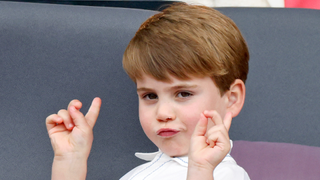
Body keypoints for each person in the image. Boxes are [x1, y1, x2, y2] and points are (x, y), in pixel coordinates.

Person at [46, 3, 250, 180]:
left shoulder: (224, 173)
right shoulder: (142, 172)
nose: (163, 114)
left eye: (183, 94)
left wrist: (201, 170)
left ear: (231, 98)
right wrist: (70, 161)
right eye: (150, 96)